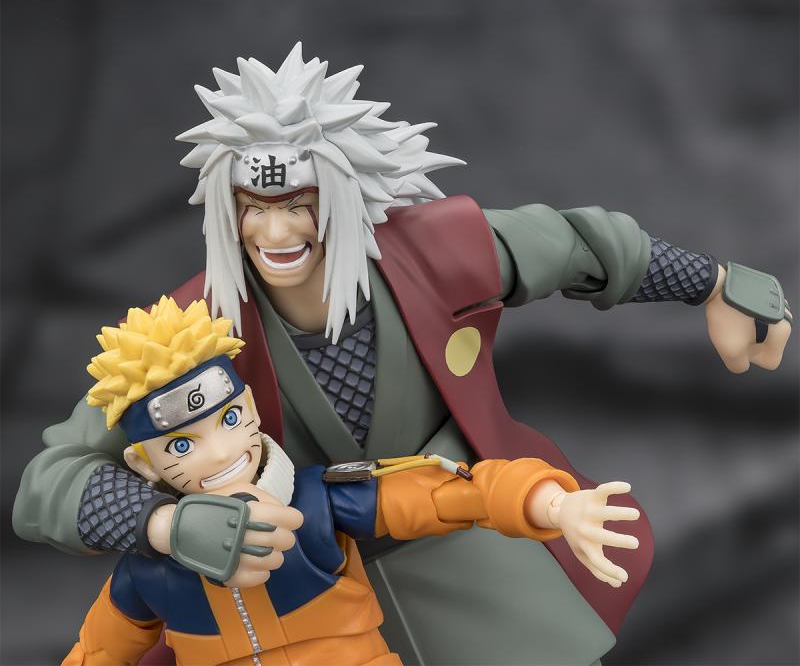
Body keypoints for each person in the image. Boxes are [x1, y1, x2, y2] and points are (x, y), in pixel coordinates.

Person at [15, 44, 792, 666]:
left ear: (342, 194)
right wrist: (162, 526)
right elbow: (49, 482)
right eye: (255, 209)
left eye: (300, 206)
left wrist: (717, 283)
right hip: (306, 592)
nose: (277, 234)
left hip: (465, 541)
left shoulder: (438, 253)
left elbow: (581, 246)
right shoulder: (193, 329)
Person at [63, 297, 640, 666]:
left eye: (230, 419)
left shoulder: (318, 502)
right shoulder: (150, 568)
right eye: (182, 446)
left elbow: (449, 495)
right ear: (143, 464)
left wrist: (552, 504)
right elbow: (97, 652)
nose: (220, 453)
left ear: (252, 408)